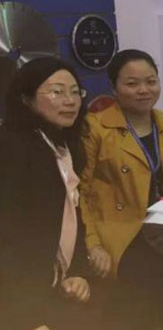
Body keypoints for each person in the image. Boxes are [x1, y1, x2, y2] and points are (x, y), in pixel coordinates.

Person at [78, 49, 163, 329]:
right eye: (132, 83)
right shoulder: (96, 128)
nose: (144, 90)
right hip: (125, 230)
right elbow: (81, 193)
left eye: (151, 81)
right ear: (114, 88)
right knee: (142, 299)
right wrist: (93, 244)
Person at [0, 58, 102, 330]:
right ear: (26, 98)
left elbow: (72, 215)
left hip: (54, 286)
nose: (70, 101)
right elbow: (8, 238)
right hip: (19, 301)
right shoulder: (11, 147)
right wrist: (26, 318)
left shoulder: (64, 143)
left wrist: (78, 272)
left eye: (75, 92)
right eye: (57, 92)